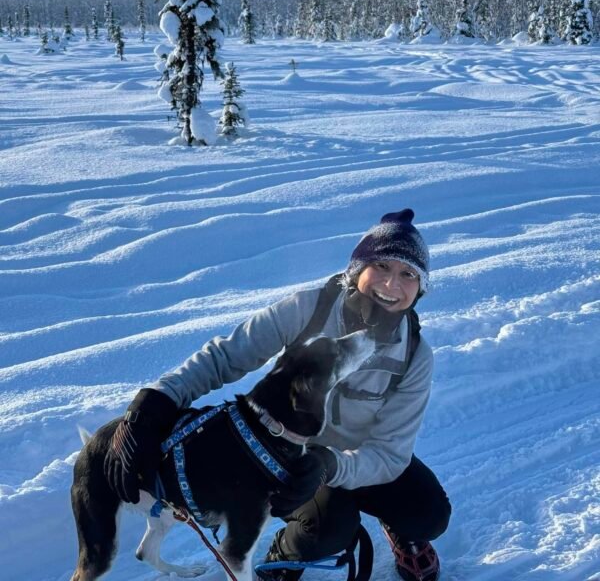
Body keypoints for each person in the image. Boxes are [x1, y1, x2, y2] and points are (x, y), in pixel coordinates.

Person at [104, 209, 451, 581]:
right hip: (290, 456)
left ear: (420, 288)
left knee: (428, 513)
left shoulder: (414, 356)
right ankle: (283, 557)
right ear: (357, 270)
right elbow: (226, 357)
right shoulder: (310, 309)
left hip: (351, 460)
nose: (392, 283)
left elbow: (389, 453)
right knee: (329, 526)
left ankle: (400, 529)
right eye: (381, 266)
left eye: (408, 274)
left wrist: (331, 465)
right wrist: (157, 399)